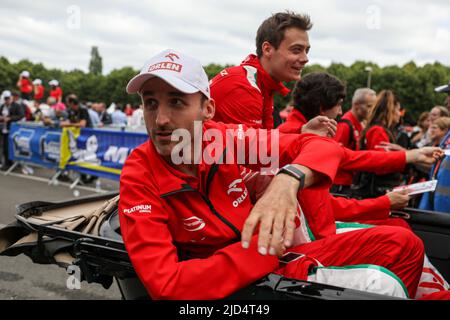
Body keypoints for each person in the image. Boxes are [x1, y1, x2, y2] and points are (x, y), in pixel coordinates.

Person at [118, 49, 444, 300]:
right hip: (249, 280)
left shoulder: (223, 140)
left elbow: (323, 149)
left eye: (176, 102)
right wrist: (263, 250)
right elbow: (166, 285)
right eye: (150, 103)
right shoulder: (140, 170)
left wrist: (289, 178)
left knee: (404, 242)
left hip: (277, 254)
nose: (160, 119)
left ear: (208, 111)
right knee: (385, 282)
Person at [210, 11, 336, 136]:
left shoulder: (261, 84)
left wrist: (301, 131)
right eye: (296, 50)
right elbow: (256, 151)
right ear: (267, 49)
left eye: (306, 51)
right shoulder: (243, 87)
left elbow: (266, 140)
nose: (305, 59)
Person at [0, 90, 25, 169]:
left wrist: (10, 118)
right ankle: (6, 163)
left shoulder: (17, 106)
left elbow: (21, 115)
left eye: (8, 98)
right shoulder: (2, 106)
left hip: (13, 129)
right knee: (4, 147)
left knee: (10, 147)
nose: (7, 100)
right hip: (3, 128)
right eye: (5, 98)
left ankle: (11, 164)